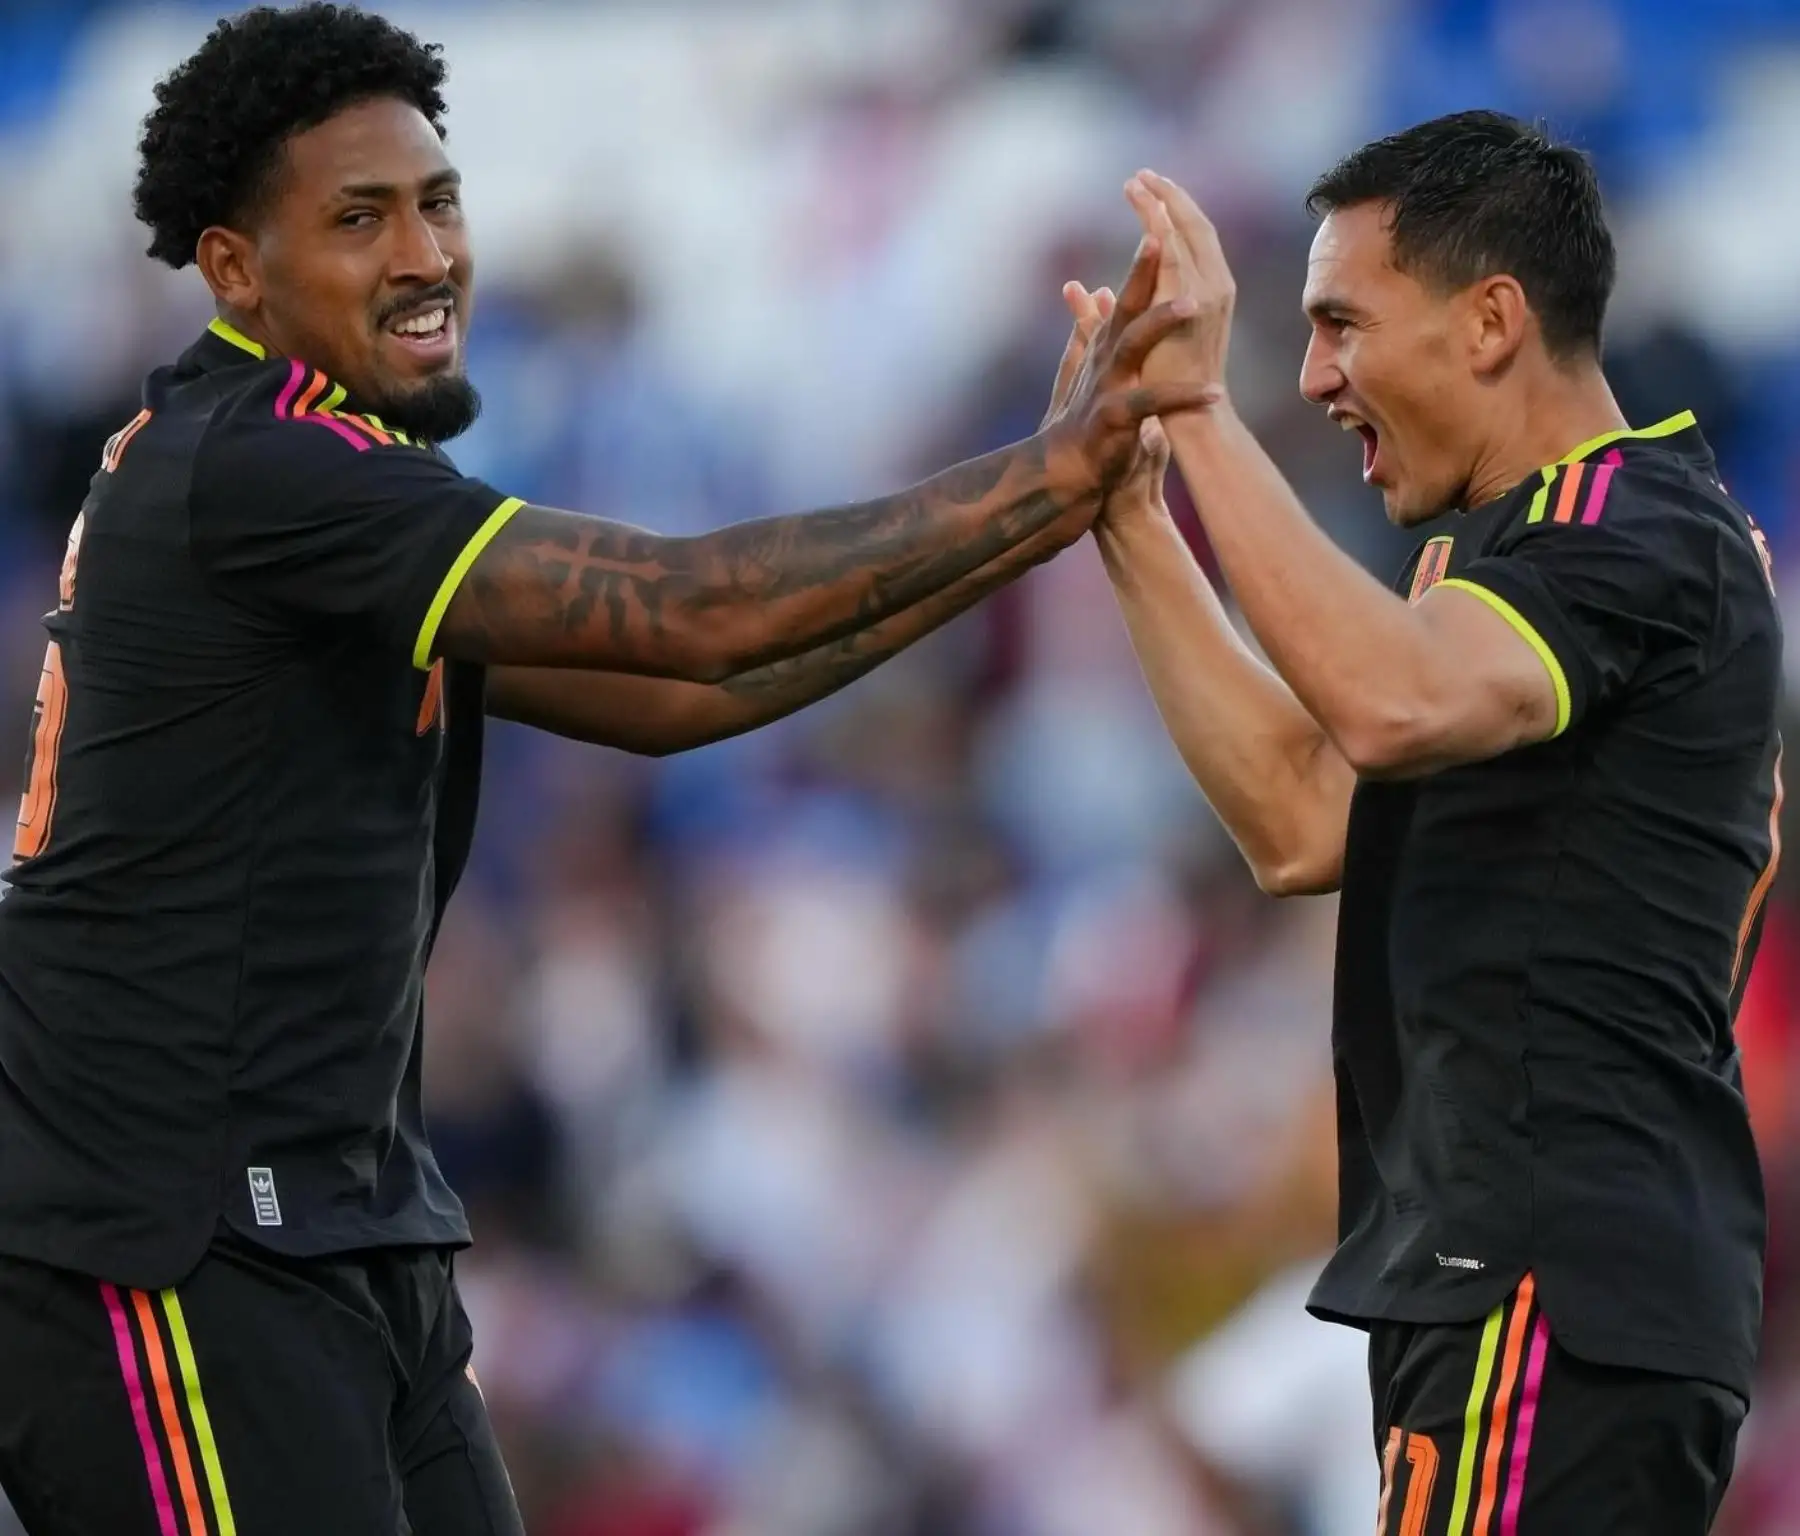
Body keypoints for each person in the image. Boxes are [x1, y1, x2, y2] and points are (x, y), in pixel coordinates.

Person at [0, 6, 1210, 1533]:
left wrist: (1037, 510)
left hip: (330, 1223)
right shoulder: (260, 467)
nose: (426, 254)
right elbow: (699, 613)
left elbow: (678, 692)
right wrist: (1050, 471)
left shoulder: (317, 471)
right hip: (161, 1235)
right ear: (233, 268)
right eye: (358, 218)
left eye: (438, 201)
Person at [1087, 113, 1777, 1532]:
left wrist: (1206, 414)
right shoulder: (1514, 561)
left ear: (1490, 322)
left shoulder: (1631, 524)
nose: (1315, 375)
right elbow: (1302, 818)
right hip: (1521, 1284)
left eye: (1341, 322)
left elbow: (1387, 707)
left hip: (1552, 1277)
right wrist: (1134, 512)